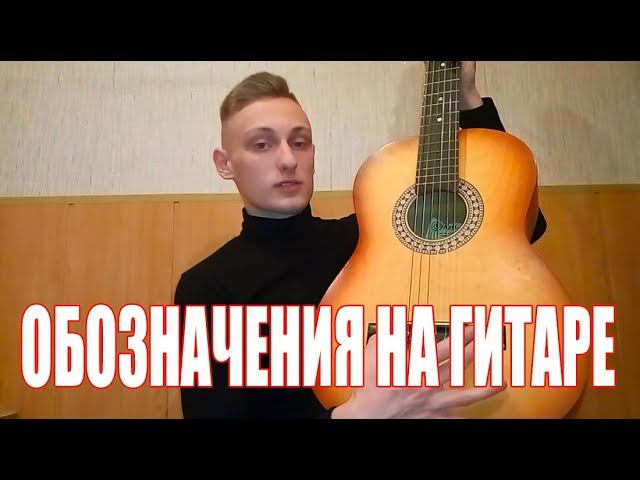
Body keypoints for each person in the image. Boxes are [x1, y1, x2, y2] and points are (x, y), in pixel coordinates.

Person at [174, 61, 547, 419]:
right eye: (262, 145)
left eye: (299, 142)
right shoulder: (207, 287)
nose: (288, 159)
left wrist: (466, 99)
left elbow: (514, 223)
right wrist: (358, 414)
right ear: (224, 163)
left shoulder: (374, 237)